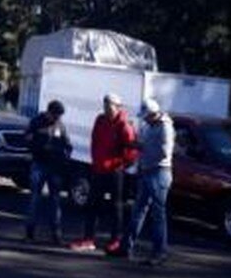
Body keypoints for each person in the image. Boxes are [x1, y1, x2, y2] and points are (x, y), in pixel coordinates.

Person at [71, 94, 137, 255]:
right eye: (105, 105)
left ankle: (115, 241)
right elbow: (94, 141)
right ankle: (88, 239)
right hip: (99, 169)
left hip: (115, 172)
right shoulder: (100, 120)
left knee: (117, 206)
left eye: (110, 106)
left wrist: (120, 165)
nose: (107, 108)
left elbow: (132, 150)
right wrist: (96, 161)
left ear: (118, 107)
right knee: (92, 204)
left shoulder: (124, 125)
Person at [125, 99, 174, 265]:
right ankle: (126, 246)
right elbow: (145, 144)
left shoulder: (165, 127)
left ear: (154, 114)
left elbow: (164, 153)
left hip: (159, 172)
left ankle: (160, 252)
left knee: (157, 214)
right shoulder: (149, 126)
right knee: (138, 210)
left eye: (146, 116)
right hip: (147, 171)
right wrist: (135, 144)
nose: (144, 119)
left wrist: (144, 149)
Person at [25, 100, 72, 245]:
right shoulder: (36, 122)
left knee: (55, 201)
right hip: (39, 164)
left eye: (59, 116)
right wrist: (38, 146)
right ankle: (30, 233)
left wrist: (64, 156)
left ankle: (56, 234)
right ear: (49, 112)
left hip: (55, 167)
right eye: (56, 116)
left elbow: (68, 144)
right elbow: (27, 138)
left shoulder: (60, 125)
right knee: (35, 199)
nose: (58, 119)